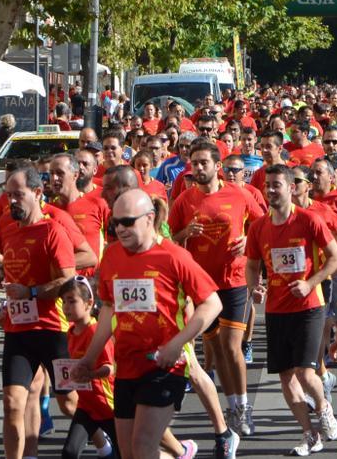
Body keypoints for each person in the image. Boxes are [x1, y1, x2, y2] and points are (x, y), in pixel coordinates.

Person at [75, 189, 237, 459]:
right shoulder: (112, 256)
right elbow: (108, 309)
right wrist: (89, 358)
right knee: (129, 454)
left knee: (143, 447)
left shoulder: (174, 256)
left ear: (149, 219)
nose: (121, 229)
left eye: (128, 222)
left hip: (164, 366)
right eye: (115, 223)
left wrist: (177, 344)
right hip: (126, 366)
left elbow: (212, 304)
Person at [245, 164, 337, 456]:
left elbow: (336, 257)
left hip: (309, 306)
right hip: (276, 310)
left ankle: (325, 410)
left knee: (304, 371)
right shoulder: (258, 227)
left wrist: (310, 282)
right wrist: (255, 287)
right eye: (269, 186)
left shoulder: (309, 220)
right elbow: (251, 265)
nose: (272, 190)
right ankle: (309, 433)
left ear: (291, 187)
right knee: (286, 376)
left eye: (278, 185)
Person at [167, 141, 264, 437]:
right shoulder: (185, 200)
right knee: (218, 347)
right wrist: (186, 233)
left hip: (234, 278)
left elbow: (262, 227)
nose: (198, 168)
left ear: (217, 166)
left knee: (233, 346)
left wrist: (248, 241)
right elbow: (171, 239)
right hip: (202, 285)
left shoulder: (239, 194)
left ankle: (242, 407)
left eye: (203, 163)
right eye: (194, 163)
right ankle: (231, 402)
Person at [0, 165, 79, 459]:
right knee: (11, 402)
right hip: (18, 330)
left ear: (38, 193)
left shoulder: (53, 231)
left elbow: (68, 281)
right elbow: (9, 274)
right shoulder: (8, 231)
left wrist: (30, 292)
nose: (12, 201)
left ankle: (110, 437)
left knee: (69, 402)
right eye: (8, 195)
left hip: (51, 330)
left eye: (18, 195)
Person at [58, 277, 119, 459]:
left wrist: (90, 374)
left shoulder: (96, 331)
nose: (66, 307)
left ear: (88, 303)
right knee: (69, 452)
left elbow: (110, 368)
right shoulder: (69, 333)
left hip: (108, 405)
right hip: (86, 406)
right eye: (64, 302)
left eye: (72, 301)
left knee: (127, 453)